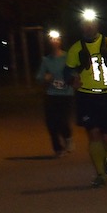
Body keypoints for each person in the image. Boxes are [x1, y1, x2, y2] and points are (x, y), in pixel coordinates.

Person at [65, 13, 107, 187]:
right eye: (85, 25)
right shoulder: (76, 48)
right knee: (93, 134)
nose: (88, 28)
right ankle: (100, 174)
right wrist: (72, 80)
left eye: (91, 24)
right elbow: (67, 70)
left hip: (106, 94)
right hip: (86, 95)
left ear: (97, 26)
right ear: (82, 27)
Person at [36, 29, 74, 157]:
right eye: (52, 39)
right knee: (51, 122)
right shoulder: (46, 60)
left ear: (60, 41)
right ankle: (58, 148)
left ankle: (68, 138)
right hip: (51, 94)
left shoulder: (67, 57)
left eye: (57, 39)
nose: (54, 41)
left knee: (62, 121)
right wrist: (45, 78)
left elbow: (74, 73)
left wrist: (73, 79)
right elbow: (39, 77)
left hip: (66, 94)